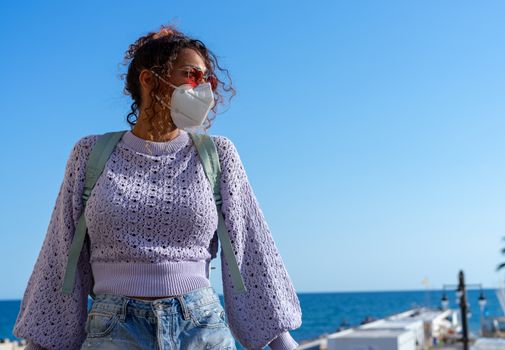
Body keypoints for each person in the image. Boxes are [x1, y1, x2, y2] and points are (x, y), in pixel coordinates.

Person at [12, 24, 302, 350]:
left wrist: (282, 342)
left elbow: (250, 249)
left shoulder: (218, 154)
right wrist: (40, 344)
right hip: (113, 328)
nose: (204, 88)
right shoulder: (90, 154)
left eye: (209, 79)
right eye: (192, 75)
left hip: (200, 327)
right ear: (149, 79)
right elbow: (62, 251)